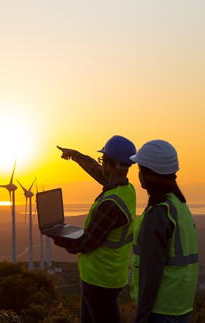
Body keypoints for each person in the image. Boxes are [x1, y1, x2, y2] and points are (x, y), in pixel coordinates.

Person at [54, 135, 137, 323]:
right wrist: (74, 155)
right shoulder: (126, 189)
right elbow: (97, 171)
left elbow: (86, 243)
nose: (101, 165)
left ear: (110, 164)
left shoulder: (111, 204)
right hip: (108, 276)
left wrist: (58, 235)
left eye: (103, 161)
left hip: (100, 279)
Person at [129, 140, 199, 323]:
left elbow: (150, 274)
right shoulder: (179, 206)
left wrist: (141, 316)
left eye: (140, 169)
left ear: (148, 173)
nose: (138, 174)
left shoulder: (158, 214)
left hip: (160, 310)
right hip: (180, 307)